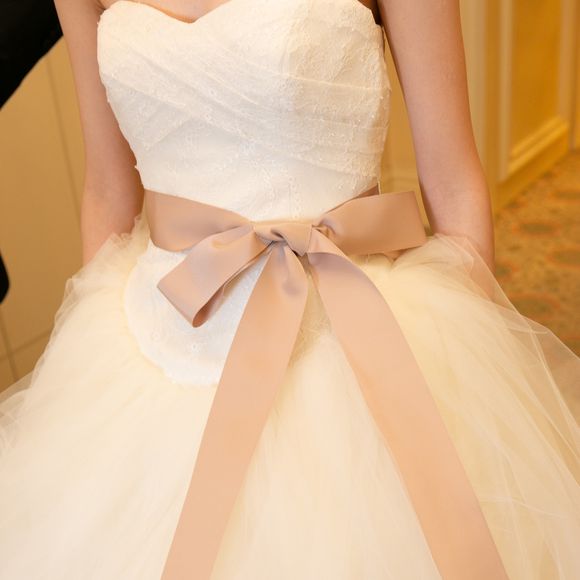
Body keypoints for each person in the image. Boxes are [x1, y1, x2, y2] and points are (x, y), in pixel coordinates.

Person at [1, 0, 579, 578]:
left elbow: (453, 184)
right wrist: (88, 356)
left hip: (357, 334)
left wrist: (476, 371)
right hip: (162, 334)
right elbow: (107, 189)